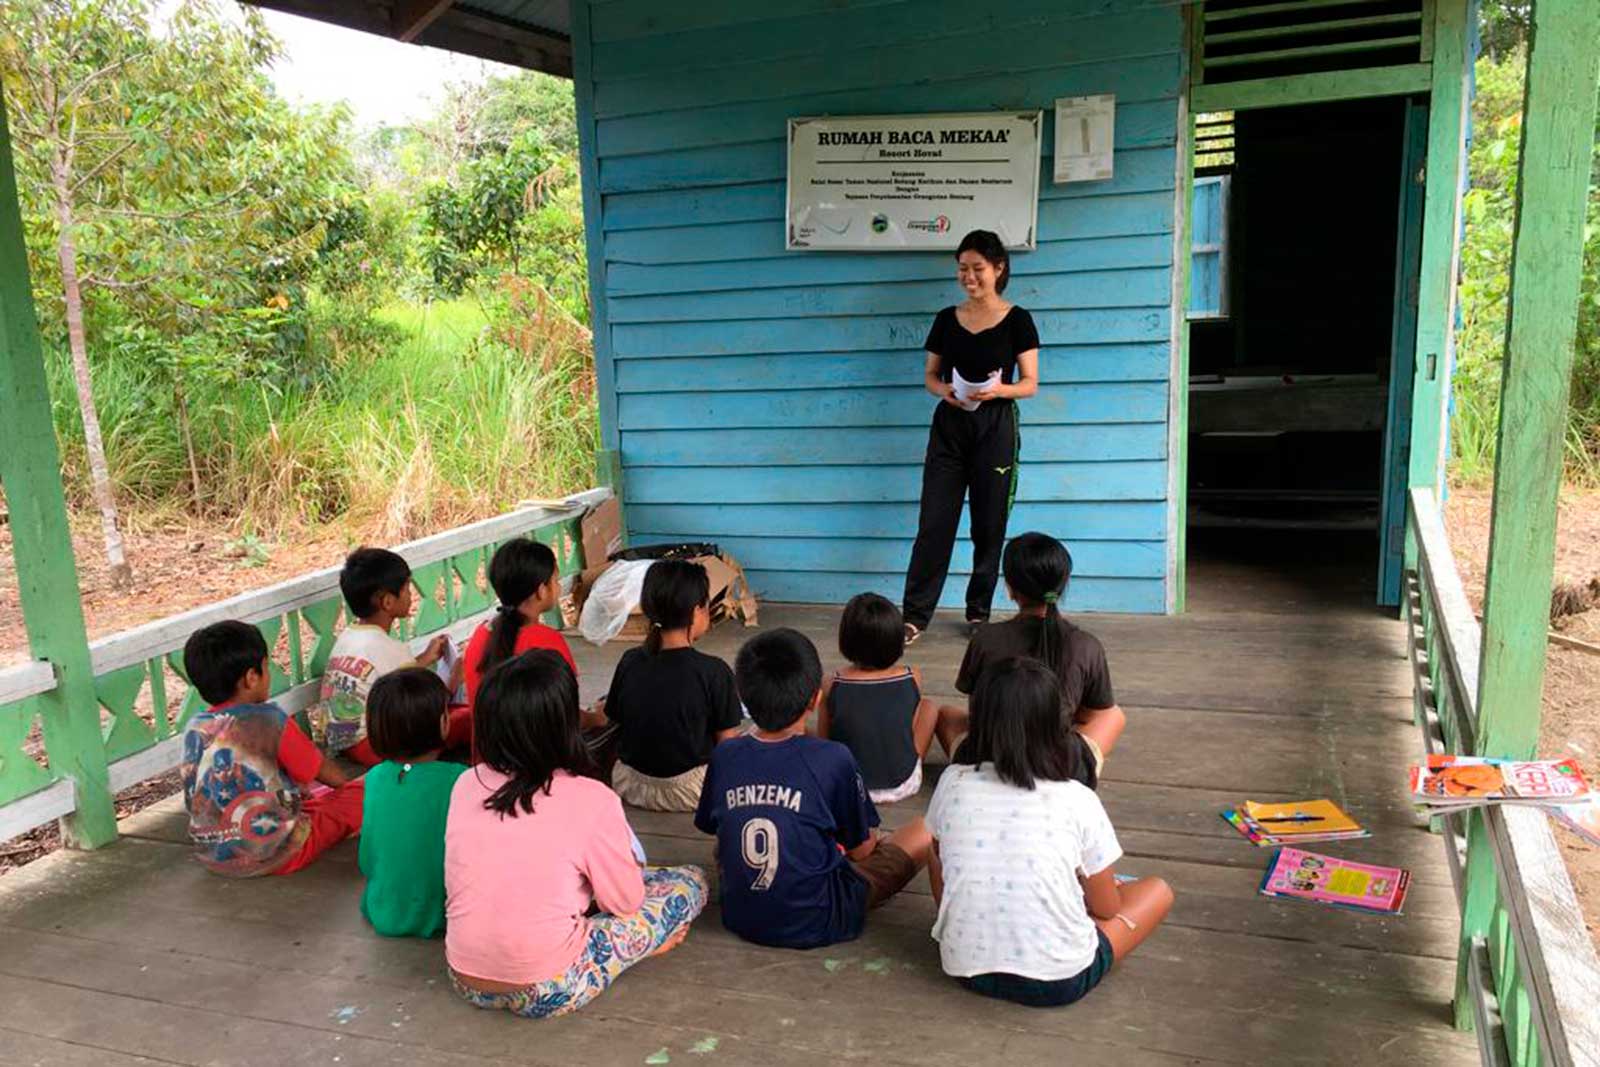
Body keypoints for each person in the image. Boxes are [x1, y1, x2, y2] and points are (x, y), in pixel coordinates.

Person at [445, 650, 707, 1019]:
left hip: (465, 976)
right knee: (689, 882)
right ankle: (641, 947)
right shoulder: (590, 797)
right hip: (551, 984)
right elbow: (626, 904)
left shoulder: (464, 784)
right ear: (566, 723)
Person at [928, 657, 1173, 1007]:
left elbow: (939, 859)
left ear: (978, 720)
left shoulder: (953, 782)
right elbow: (1106, 908)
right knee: (1157, 891)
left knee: (934, 847)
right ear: (1059, 725)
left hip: (966, 967)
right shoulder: (1077, 799)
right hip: (1059, 980)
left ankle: (958, 925)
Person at [695, 628, 931, 950]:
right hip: (822, 918)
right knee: (923, 830)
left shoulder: (725, 753)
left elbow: (715, 831)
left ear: (744, 696)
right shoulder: (833, 758)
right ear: (815, 700)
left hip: (740, 914)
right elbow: (862, 851)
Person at [902, 229, 1041, 644]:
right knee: (935, 521)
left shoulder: (1018, 320)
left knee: (989, 523)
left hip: (996, 427)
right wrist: (942, 389)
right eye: (962, 269)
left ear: (999, 269)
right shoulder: (947, 318)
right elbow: (930, 375)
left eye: (978, 268)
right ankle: (915, 615)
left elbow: (1031, 382)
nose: (969, 277)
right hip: (950, 427)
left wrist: (1000, 390)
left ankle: (978, 613)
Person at [180, 620, 363, 877]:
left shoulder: (194, 727)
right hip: (278, 853)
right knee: (363, 793)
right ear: (251, 677)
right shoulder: (270, 720)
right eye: (267, 667)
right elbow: (326, 773)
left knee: (311, 795)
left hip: (216, 854)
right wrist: (349, 792)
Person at [953, 531, 1125, 789]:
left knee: (945, 715)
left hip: (990, 757)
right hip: (1060, 764)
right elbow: (1092, 713)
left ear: (1010, 589)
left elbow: (977, 708)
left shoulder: (985, 638)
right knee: (1114, 715)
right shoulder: (1086, 645)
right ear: (1062, 584)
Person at [604, 559, 743, 810]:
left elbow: (613, 718)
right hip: (690, 791)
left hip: (631, 785)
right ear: (695, 611)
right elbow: (727, 745)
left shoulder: (630, 660)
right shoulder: (714, 671)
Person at [315, 547, 462, 765]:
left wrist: (426, 658)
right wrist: (453, 681)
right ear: (387, 602)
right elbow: (420, 701)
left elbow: (390, 673)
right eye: (406, 589)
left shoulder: (348, 636)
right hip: (373, 746)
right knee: (460, 721)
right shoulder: (389, 648)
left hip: (339, 742)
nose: (411, 594)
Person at [817, 592, 966, 804]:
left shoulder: (832, 682)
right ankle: (910, 762)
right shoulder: (911, 675)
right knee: (928, 707)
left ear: (846, 640)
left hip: (847, 787)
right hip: (902, 785)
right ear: (897, 640)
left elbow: (825, 740)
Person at [358, 668, 467, 938]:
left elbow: (368, 857)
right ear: (442, 722)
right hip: (442, 913)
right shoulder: (459, 779)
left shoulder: (374, 778)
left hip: (383, 909)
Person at [462, 538, 578, 705]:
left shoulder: (481, 634)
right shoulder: (548, 641)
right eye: (556, 580)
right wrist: (597, 716)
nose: (558, 587)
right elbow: (568, 709)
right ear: (541, 590)